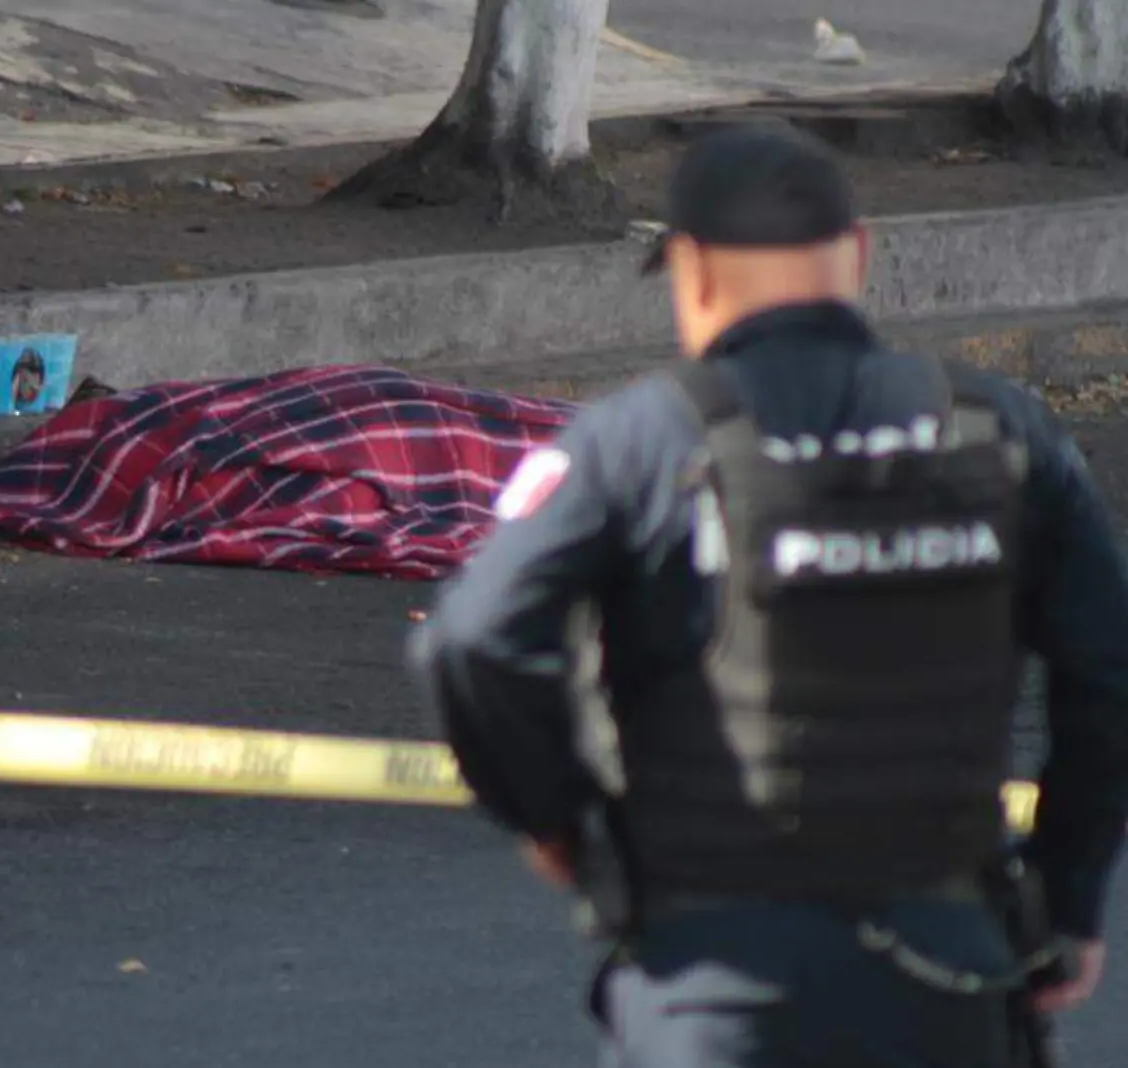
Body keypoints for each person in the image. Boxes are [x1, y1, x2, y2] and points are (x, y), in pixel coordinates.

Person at [408, 122, 1128, 1067]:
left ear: (692, 271)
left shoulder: (641, 442)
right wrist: (1066, 901)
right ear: (860, 255)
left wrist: (560, 823)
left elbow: (473, 638)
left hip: (718, 982)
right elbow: (1109, 668)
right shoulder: (1001, 432)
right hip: (949, 971)